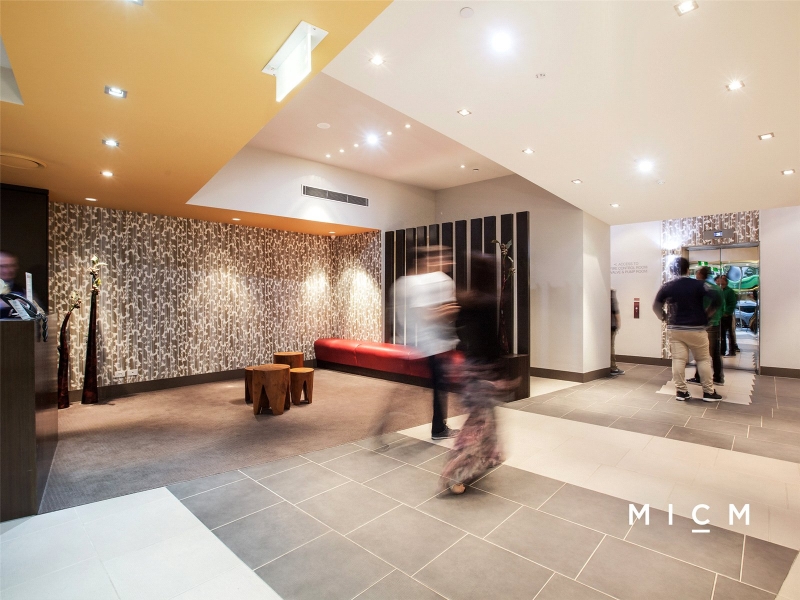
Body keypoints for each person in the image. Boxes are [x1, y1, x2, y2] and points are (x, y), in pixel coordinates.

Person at [441, 254, 515, 494]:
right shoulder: (489, 302)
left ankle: (493, 454)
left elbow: (459, 335)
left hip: (469, 368)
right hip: (484, 371)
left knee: (486, 418)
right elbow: (492, 342)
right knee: (477, 424)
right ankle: (455, 474)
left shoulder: (464, 301)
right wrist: (501, 373)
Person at [393, 246, 459, 440]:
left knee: (434, 388)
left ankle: (439, 427)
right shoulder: (427, 283)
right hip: (433, 345)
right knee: (438, 387)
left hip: (417, 344)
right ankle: (438, 428)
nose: (449, 261)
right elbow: (427, 315)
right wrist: (447, 311)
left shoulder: (403, 283)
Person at [653, 257, 722, 402]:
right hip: (697, 328)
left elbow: (656, 306)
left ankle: (681, 391)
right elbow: (716, 298)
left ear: (672, 270)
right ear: (687, 270)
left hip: (675, 329)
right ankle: (708, 392)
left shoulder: (667, 286)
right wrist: (707, 315)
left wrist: (665, 317)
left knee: (678, 359)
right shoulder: (699, 284)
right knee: (703, 360)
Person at [687, 266, 724, 386]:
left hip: (704, 324)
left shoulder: (701, 288)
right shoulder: (717, 288)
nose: (696, 275)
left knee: (701, 352)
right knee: (714, 352)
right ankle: (717, 377)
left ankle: (702, 377)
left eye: (697, 273)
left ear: (701, 274)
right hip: (715, 323)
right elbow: (722, 306)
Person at [719, 275, 739, 356]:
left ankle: (732, 350)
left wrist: (727, 312)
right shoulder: (719, 291)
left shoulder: (729, 291)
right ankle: (722, 350)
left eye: (723, 280)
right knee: (722, 334)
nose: (720, 282)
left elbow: (732, 303)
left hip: (727, 316)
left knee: (730, 333)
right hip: (720, 316)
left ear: (726, 282)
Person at [0, 251, 24, 319]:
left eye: (12, 266)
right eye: (2, 266)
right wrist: (7, 303)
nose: (8, 270)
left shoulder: (22, 290)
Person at [610, 289, 624, 376]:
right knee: (611, 346)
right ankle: (613, 367)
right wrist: (618, 322)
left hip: (602, 325)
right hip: (611, 325)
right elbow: (615, 310)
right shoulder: (611, 294)